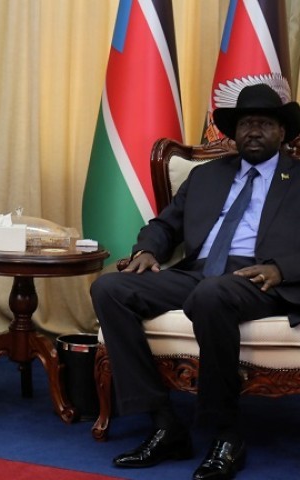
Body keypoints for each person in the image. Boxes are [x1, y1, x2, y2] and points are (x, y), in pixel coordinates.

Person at [90, 80, 300, 480]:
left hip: (262, 277)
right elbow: (164, 225)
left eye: (264, 123)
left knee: (212, 294)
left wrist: (282, 269)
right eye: (244, 124)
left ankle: (225, 433)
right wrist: (147, 251)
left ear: (282, 132)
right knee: (110, 288)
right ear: (234, 133)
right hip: (201, 272)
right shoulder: (206, 176)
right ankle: (164, 423)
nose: (252, 131)